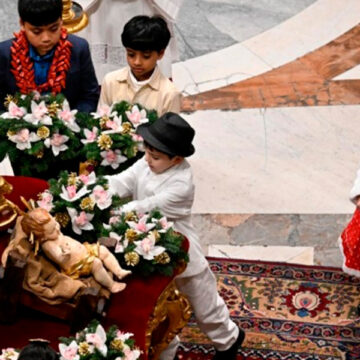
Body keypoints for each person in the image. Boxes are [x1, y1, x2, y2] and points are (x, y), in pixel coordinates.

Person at [106, 113, 245, 360]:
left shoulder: (182, 183)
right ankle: (165, 346)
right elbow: (122, 181)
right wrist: (96, 189)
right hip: (145, 243)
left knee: (204, 304)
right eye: (146, 152)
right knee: (153, 303)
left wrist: (111, 210)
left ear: (177, 158)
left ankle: (229, 340)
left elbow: (145, 206)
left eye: (155, 156)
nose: (147, 159)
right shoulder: (147, 161)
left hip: (180, 247)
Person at [0, 0, 99, 113]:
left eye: (53, 29)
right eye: (37, 32)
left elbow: (89, 96)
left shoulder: (79, 49)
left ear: (61, 21)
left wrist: (71, 122)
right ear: (22, 24)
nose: (46, 38)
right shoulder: (4, 53)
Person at [18, 207, 131, 293]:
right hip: (77, 265)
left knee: (102, 250)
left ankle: (118, 271)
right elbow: (60, 259)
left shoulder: (53, 234)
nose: (57, 229)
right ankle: (111, 285)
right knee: (96, 263)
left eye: (55, 223)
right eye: (52, 230)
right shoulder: (48, 245)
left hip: (85, 251)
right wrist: (65, 253)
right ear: (42, 237)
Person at [98, 15, 181, 116]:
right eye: (131, 54)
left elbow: (170, 131)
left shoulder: (169, 94)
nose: (137, 62)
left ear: (160, 53)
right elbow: (101, 120)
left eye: (146, 56)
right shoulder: (110, 81)